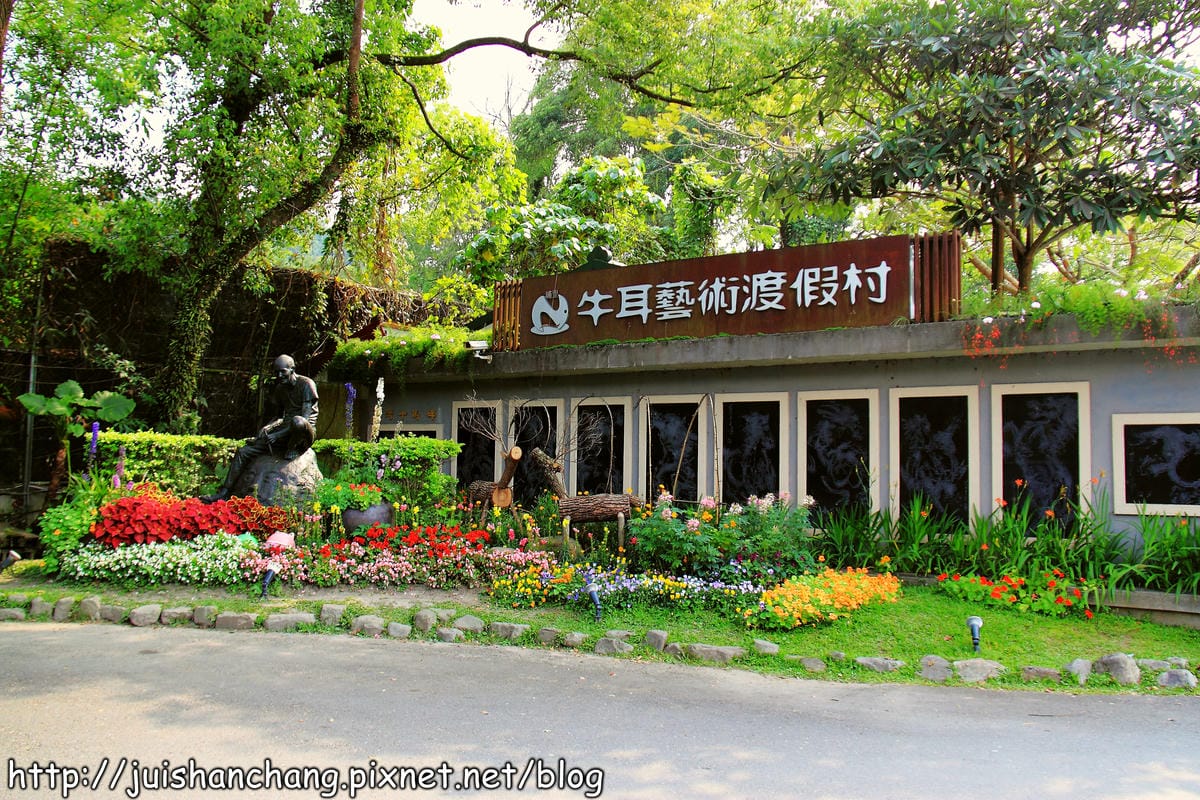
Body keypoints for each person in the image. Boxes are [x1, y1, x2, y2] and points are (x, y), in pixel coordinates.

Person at [202, 355, 319, 503]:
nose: (279, 375)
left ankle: (293, 448)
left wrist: (278, 435)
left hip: (302, 435)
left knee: (298, 421)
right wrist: (267, 428)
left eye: (283, 371)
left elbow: (305, 419)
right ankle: (225, 492)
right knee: (243, 452)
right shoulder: (280, 388)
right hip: (284, 432)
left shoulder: (306, 384)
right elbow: (278, 417)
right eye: (276, 372)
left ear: (292, 369)